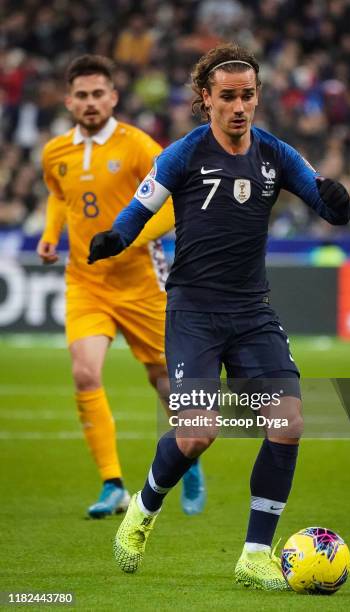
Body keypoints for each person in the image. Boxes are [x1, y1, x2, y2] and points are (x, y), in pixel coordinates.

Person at [88, 44, 350, 589]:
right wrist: (115, 237)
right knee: (197, 433)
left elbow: (322, 198)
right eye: (227, 96)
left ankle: (255, 554)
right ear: (205, 98)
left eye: (247, 96)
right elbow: (139, 209)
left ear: (257, 97)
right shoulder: (184, 154)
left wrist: (335, 200)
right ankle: (145, 507)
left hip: (253, 310)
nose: (238, 106)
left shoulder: (276, 155)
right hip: (194, 313)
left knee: (288, 422)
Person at [37, 54, 206, 519]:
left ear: (113, 97)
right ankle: (112, 483)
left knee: (165, 381)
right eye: (82, 96)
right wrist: (51, 235)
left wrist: (127, 236)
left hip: (140, 282)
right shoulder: (55, 153)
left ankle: (186, 457)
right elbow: (58, 195)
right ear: (69, 101)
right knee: (85, 373)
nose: (90, 103)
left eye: (99, 94)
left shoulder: (137, 146)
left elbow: (172, 206)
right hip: (85, 283)